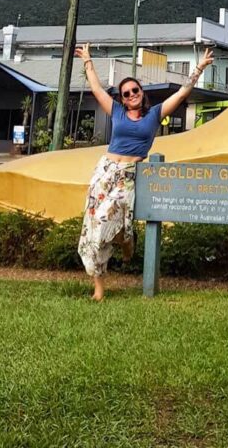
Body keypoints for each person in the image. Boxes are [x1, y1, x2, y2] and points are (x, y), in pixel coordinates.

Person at [74, 41, 214, 300]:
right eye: (126, 93)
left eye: (134, 90)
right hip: (105, 170)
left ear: (141, 91)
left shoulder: (154, 115)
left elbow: (182, 94)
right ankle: (99, 287)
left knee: (110, 221)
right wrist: (87, 61)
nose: (131, 95)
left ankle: (128, 240)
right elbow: (95, 88)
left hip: (128, 174)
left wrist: (199, 68)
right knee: (92, 225)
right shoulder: (116, 111)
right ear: (122, 99)